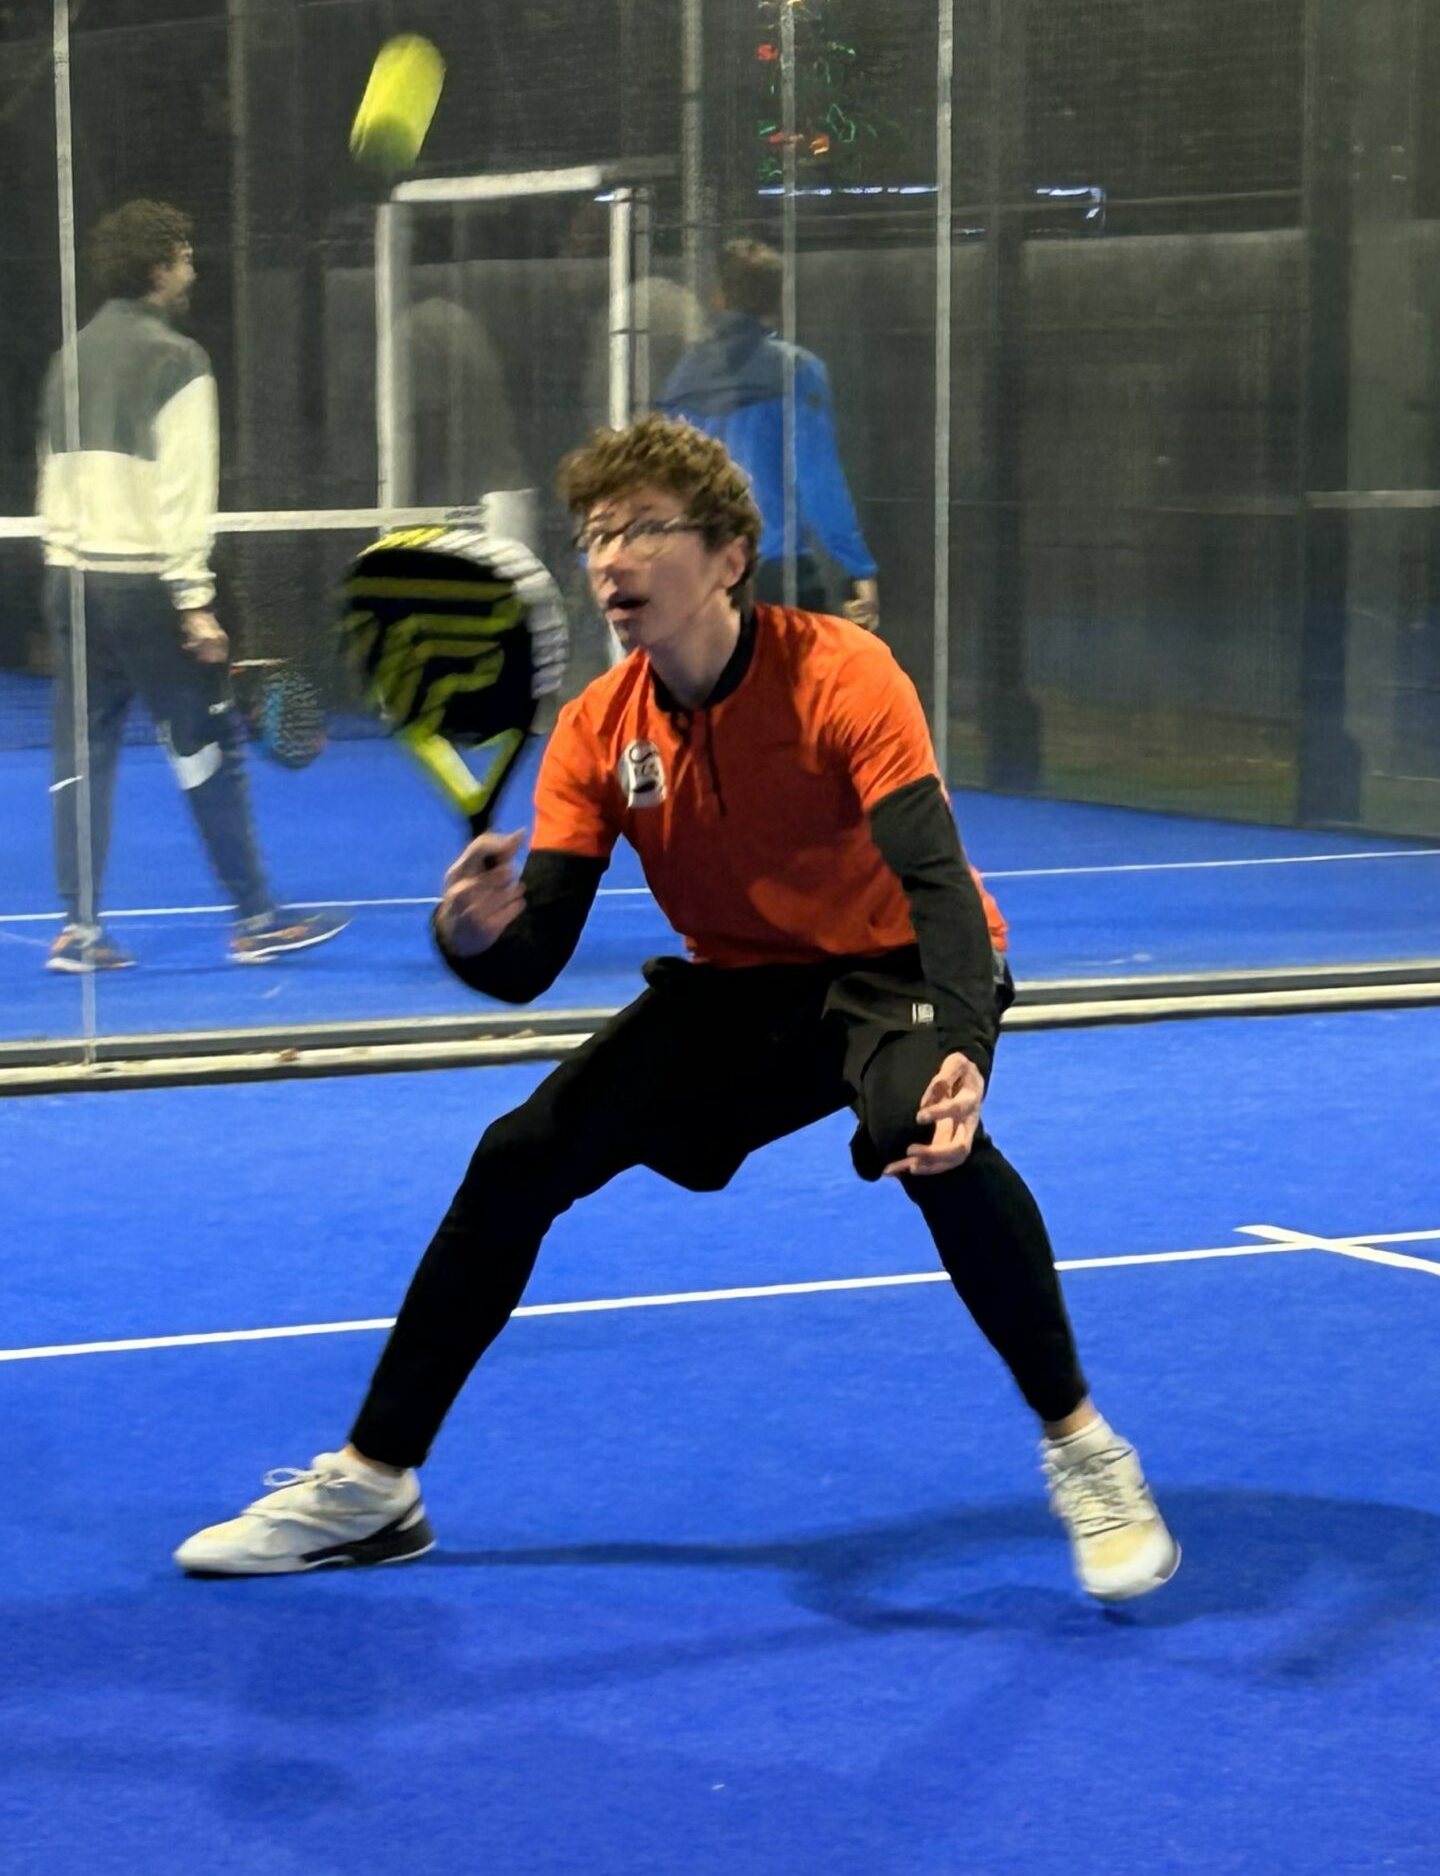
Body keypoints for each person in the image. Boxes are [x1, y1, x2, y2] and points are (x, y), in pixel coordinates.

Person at [175, 414, 1179, 1604]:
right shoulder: (599, 729)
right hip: (741, 984)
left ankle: (1085, 1451)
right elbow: (530, 962)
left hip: (895, 965)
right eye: (597, 536)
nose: (612, 558)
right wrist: (471, 931)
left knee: (931, 1134)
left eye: (644, 529)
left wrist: (967, 1044)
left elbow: (934, 877)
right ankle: (373, 1486)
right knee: (517, 1158)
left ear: (729, 556)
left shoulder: (845, 674)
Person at [37, 199, 347, 970]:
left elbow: (53, 480)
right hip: (144, 587)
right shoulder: (179, 361)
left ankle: (79, 931)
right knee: (205, 747)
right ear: (157, 268)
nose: (192, 270)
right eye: (182, 256)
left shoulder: (68, 356)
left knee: (83, 756)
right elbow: (183, 494)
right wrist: (194, 603)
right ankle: (257, 918)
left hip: (69, 580)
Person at [659, 238, 880, 631]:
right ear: (777, 300)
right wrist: (856, 566)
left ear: (717, 297)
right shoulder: (798, 371)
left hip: (702, 574)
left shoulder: (681, 378)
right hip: (777, 572)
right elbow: (817, 478)